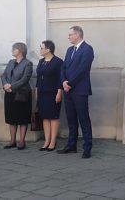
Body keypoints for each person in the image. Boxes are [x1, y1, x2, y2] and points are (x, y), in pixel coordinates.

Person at [57, 26, 94, 159]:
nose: (69, 37)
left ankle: (87, 147)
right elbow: (63, 67)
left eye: (70, 34)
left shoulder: (87, 49)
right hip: (68, 90)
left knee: (83, 119)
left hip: (80, 90)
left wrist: (70, 84)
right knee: (71, 119)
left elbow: (83, 69)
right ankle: (71, 145)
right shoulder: (69, 50)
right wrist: (63, 82)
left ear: (78, 35)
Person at [1, 42, 33, 150]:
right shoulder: (11, 62)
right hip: (9, 93)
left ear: (20, 50)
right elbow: (4, 75)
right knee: (11, 118)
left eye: (13, 49)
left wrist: (11, 86)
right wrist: (5, 85)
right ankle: (12, 141)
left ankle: (22, 141)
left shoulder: (28, 63)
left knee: (22, 118)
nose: (12, 51)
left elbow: (25, 79)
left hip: (22, 94)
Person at [36, 40, 63, 151]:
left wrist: (59, 92)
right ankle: (46, 141)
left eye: (42, 48)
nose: (40, 50)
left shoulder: (58, 62)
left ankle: (52, 141)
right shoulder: (41, 61)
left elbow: (61, 78)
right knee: (45, 117)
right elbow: (38, 77)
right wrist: (36, 91)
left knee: (53, 117)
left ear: (48, 49)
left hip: (53, 93)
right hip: (42, 92)